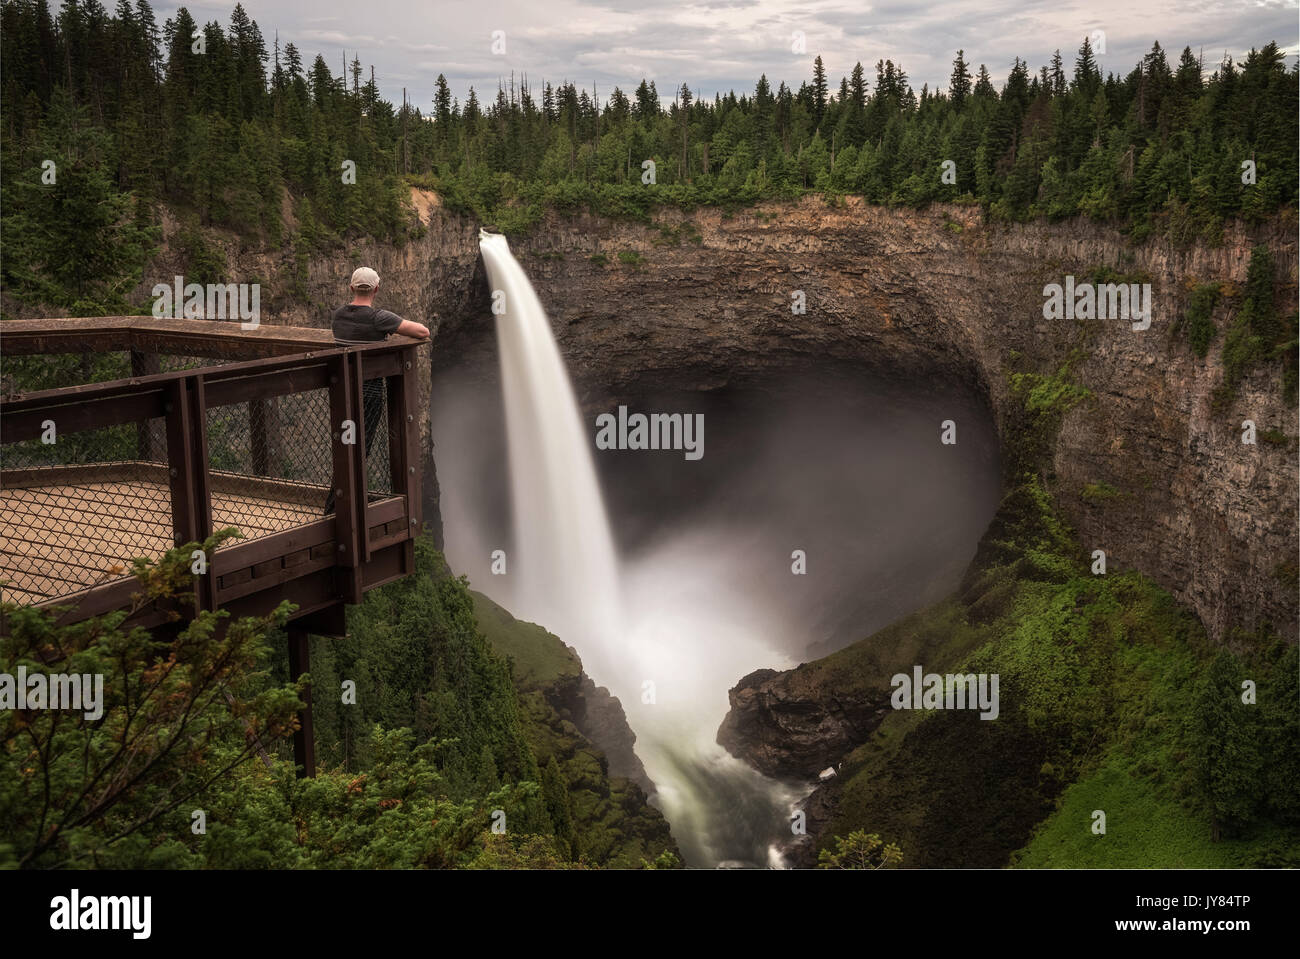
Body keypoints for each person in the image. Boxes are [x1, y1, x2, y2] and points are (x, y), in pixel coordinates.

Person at [323, 267, 429, 515]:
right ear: (376, 289)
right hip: (368, 396)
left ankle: (339, 503)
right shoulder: (379, 318)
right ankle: (336, 508)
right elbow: (422, 331)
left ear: (351, 287)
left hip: (341, 393)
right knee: (360, 450)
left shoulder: (338, 316)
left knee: (346, 446)